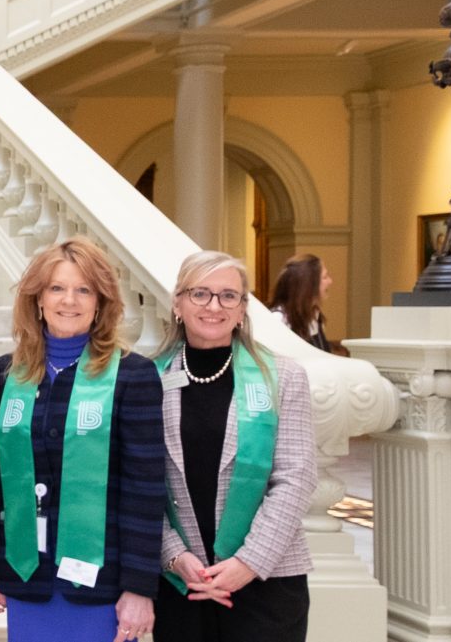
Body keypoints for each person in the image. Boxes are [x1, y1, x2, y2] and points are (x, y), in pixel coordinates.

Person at [0, 237, 164, 642]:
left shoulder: (132, 376)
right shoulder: (4, 375)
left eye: (84, 290)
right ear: (37, 299)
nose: (69, 300)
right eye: (57, 288)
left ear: (101, 302)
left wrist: (139, 588)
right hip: (27, 575)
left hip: (102, 582)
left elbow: (145, 491)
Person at [150, 252, 315, 642]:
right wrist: (173, 555)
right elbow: (136, 482)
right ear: (178, 303)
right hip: (182, 581)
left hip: (267, 580)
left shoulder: (284, 377)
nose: (214, 306)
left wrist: (248, 562)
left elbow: (296, 479)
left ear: (242, 309)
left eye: (228, 296)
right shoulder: (146, 378)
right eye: (200, 293)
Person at [269, 254, 334, 352]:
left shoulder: (315, 316)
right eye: (325, 277)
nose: (330, 281)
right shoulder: (279, 320)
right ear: (308, 284)